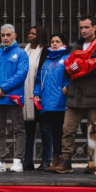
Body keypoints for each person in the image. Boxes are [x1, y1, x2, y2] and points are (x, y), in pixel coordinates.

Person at [53, 15, 96, 174]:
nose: (84, 31)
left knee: (95, 131)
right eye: (81, 28)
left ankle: (93, 163)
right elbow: (68, 68)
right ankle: (66, 161)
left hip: (94, 95)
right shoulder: (76, 46)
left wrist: (80, 67)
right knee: (68, 128)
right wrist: (77, 67)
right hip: (75, 95)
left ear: (94, 28)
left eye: (87, 27)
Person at [0, 23, 29, 173]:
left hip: (13, 97)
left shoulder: (21, 54)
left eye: (8, 35)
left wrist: (2, 88)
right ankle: (0, 160)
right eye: (3, 35)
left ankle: (18, 160)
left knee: (18, 129)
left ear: (15, 35)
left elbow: (20, 75)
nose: (5, 38)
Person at [34, 34, 69, 171]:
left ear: (63, 44)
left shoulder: (67, 58)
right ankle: (53, 160)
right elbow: (38, 80)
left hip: (60, 102)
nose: (54, 44)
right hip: (46, 102)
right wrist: (36, 93)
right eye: (52, 41)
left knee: (59, 132)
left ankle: (62, 159)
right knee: (48, 132)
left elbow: (73, 76)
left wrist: (68, 86)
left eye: (57, 41)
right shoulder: (46, 60)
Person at [22, 26, 48, 170]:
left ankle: (45, 160)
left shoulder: (45, 51)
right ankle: (28, 160)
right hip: (26, 95)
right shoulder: (25, 50)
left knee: (44, 129)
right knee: (28, 130)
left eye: (33, 33)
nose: (30, 35)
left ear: (40, 36)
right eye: (29, 33)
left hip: (40, 95)